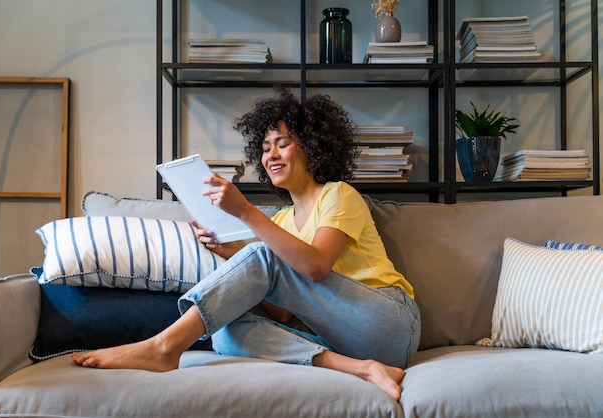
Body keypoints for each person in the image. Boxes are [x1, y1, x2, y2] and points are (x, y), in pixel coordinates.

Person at [72, 86, 421, 401]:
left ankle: (164, 346)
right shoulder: (281, 221)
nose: (271, 155)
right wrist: (233, 255)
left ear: (312, 149)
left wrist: (245, 213)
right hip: (344, 344)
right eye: (265, 147)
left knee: (261, 253)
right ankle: (363, 369)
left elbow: (315, 267)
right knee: (225, 334)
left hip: (389, 324)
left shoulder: (338, 194)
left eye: (283, 144)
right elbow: (283, 313)